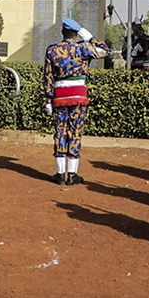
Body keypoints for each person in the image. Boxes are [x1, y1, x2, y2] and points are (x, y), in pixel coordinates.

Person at [43, 19, 110, 185]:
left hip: (59, 96)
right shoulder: (83, 48)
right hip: (78, 96)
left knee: (60, 132)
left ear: (62, 32)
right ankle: (72, 175)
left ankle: (60, 174)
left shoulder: (52, 50)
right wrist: (88, 36)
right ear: (76, 33)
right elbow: (106, 51)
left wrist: (48, 99)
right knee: (75, 131)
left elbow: (48, 77)